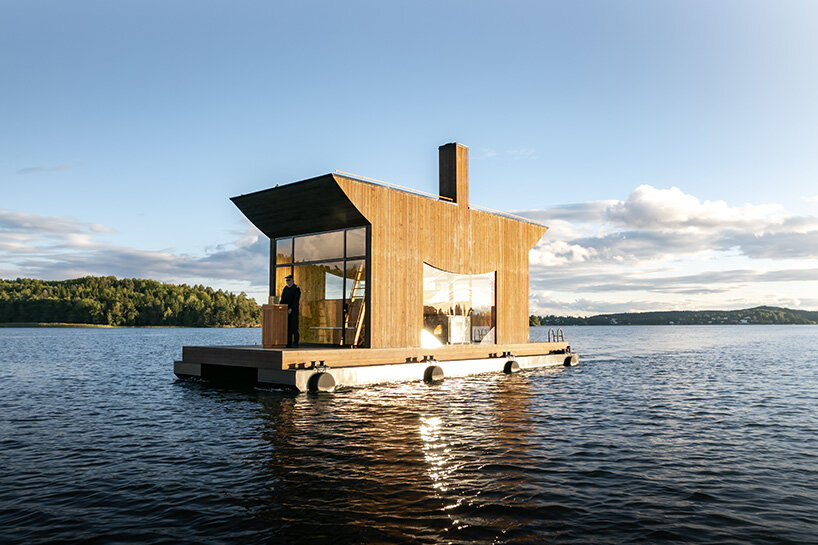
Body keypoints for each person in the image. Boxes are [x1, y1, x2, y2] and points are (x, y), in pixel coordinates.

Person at [280, 274, 301, 347]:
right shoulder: (285, 288)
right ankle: (288, 343)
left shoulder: (296, 288)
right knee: (287, 327)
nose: (287, 282)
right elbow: (282, 299)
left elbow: (296, 300)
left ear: (292, 281)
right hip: (285, 310)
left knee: (294, 327)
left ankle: (296, 343)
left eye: (289, 280)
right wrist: (280, 307)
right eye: (286, 280)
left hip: (294, 311)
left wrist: (291, 309)